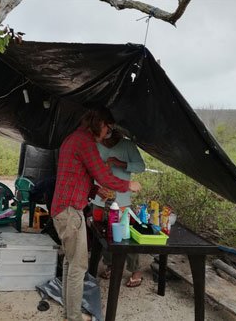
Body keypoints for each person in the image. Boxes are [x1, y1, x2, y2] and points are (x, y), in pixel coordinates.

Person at [51, 108, 142, 321]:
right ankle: (73, 317)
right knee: (79, 266)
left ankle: (69, 312)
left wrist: (94, 190)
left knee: (70, 262)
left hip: (64, 209)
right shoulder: (85, 141)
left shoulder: (72, 139)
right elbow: (103, 174)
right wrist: (128, 184)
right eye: (108, 128)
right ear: (99, 123)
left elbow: (75, 176)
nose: (107, 133)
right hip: (70, 211)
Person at [90, 129, 146, 287]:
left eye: (109, 140)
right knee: (103, 235)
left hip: (121, 201)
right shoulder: (96, 144)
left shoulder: (127, 146)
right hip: (100, 199)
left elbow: (141, 166)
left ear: (117, 135)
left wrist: (119, 163)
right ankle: (110, 265)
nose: (105, 142)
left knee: (126, 237)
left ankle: (135, 270)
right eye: (103, 140)